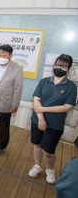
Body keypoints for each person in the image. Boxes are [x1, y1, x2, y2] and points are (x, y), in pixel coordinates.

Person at [28, 54, 77, 184]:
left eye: (63, 66)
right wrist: (41, 118)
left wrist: (44, 110)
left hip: (55, 124)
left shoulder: (71, 87)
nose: (59, 68)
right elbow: (36, 99)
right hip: (37, 120)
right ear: (53, 65)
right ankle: (37, 165)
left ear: (69, 68)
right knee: (37, 144)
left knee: (48, 151)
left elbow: (67, 107)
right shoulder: (44, 81)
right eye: (57, 65)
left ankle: (50, 169)